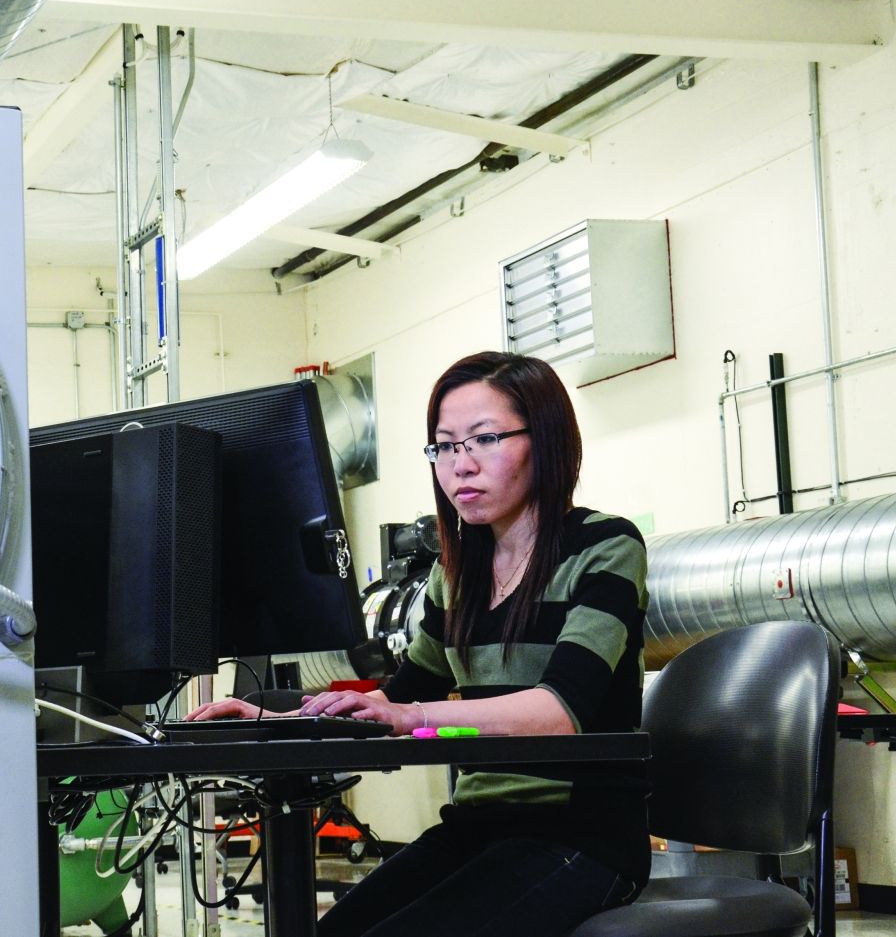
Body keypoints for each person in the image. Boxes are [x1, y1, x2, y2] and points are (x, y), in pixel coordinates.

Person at [187, 350, 649, 936]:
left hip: (582, 837)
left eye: (484, 440)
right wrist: (277, 719)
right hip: (478, 828)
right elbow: (398, 696)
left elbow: (559, 711)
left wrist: (413, 716)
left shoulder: (605, 548)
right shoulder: (454, 576)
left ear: (547, 440)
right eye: (445, 447)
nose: (461, 466)